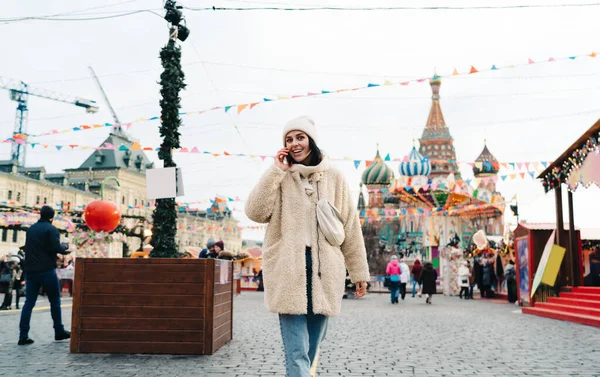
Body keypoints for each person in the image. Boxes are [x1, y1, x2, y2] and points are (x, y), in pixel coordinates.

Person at [245, 116, 370, 377]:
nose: (294, 144)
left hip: (325, 271)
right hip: (288, 269)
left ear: (311, 140)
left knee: (312, 345)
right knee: (296, 351)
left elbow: (350, 228)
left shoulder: (334, 177)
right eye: (288, 140)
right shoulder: (280, 177)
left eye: (299, 137)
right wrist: (275, 171)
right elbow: (255, 212)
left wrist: (359, 274)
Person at [18, 206, 72, 346]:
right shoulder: (51, 229)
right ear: (52, 217)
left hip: (31, 271)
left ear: (40, 215)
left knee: (29, 303)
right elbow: (55, 248)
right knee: (54, 301)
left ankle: (23, 335)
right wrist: (65, 247)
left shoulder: (31, 229)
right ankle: (59, 331)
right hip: (46, 270)